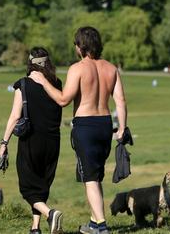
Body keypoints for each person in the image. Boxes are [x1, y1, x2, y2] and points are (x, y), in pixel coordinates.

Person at [30, 27, 128, 234]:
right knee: (95, 176)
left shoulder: (78, 68)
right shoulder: (111, 68)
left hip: (86, 126)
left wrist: (43, 81)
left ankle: (101, 226)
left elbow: (63, 100)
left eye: (76, 44)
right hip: (105, 124)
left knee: (90, 178)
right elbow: (120, 100)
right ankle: (94, 222)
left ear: (80, 46)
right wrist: (122, 129)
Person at [0, 47, 64, 234]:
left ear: (29, 63)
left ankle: (50, 214)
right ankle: (35, 228)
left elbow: (14, 116)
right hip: (53, 142)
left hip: (31, 141)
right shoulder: (57, 84)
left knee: (27, 188)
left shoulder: (23, 84)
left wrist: (4, 143)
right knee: (42, 184)